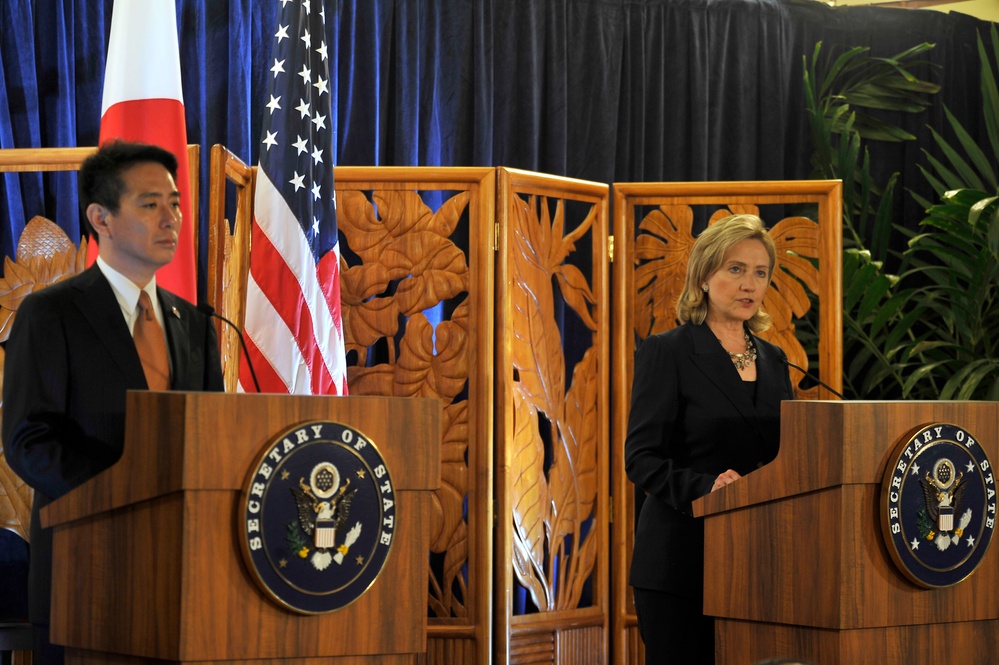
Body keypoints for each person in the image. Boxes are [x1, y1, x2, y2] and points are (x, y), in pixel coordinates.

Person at [2, 140, 224, 665]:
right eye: (151, 204)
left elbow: (214, 433)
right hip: (86, 573)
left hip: (182, 577)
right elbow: (28, 440)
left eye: (174, 203)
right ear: (100, 217)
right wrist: (129, 495)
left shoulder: (193, 323)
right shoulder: (50, 313)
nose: (172, 218)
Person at [625, 213, 795, 665]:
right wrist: (707, 489)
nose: (749, 285)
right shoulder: (669, 351)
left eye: (760, 273)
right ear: (703, 276)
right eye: (735, 269)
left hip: (759, 563)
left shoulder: (777, 361)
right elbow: (640, 458)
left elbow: (789, 456)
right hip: (682, 562)